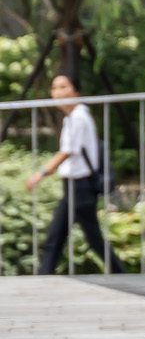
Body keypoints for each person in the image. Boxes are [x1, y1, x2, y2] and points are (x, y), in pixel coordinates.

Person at [28, 75, 125, 275]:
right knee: (56, 235)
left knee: (92, 238)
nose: (58, 92)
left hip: (81, 187)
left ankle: (119, 273)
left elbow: (67, 151)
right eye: (54, 87)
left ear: (76, 91)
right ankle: (44, 276)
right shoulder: (71, 117)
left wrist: (41, 174)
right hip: (72, 186)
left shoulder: (79, 116)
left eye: (64, 87)